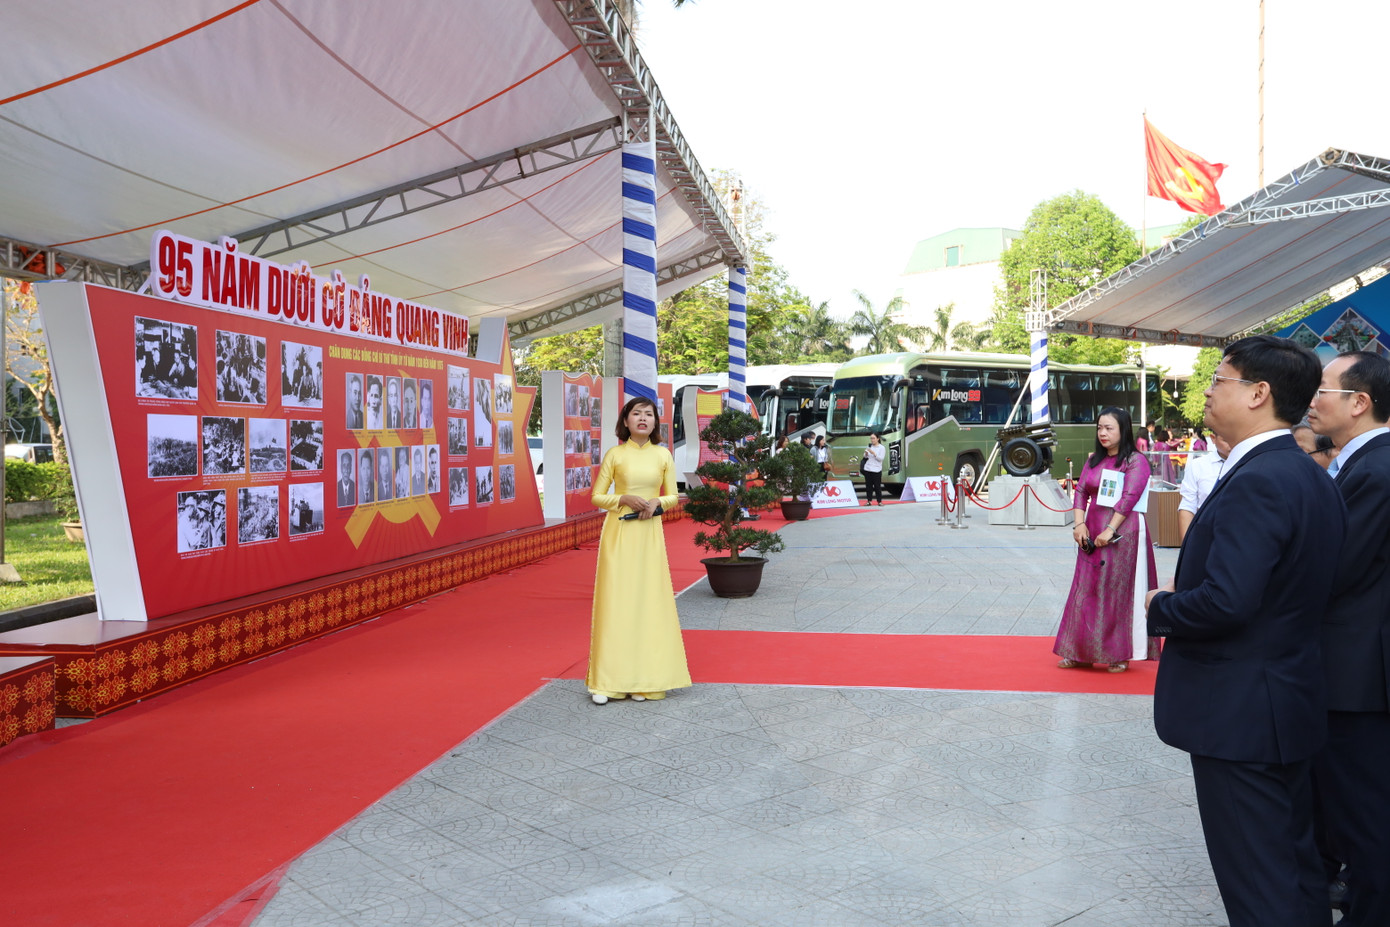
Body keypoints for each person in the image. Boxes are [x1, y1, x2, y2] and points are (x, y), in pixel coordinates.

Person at [1145, 335, 1347, 927]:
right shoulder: (1307, 473)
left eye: (1219, 378)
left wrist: (1163, 606)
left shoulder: (1261, 478)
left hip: (1241, 716)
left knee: (1259, 882)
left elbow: (1228, 602)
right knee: (1292, 868)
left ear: (1259, 393)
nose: (1206, 390)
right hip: (1284, 704)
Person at [1306, 351, 1390, 925]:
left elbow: (1335, 571)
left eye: (1324, 389)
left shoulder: (1376, 471)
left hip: (1357, 675)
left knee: (1363, 816)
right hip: (1353, 668)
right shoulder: (1361, 464)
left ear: (1359, 403)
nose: (1312, 399)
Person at [587, 396, 690, 705]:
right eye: (636, 413)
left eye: (649, 414)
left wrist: (659, 502)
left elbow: (673, 494)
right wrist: (622, 499)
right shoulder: (615, 455)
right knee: (616, 601)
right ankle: (608, 683)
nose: (643, 418)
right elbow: (596, 496)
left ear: (656, 422)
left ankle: (646, 680)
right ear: (626, 420)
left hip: (649, 533)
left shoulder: (663, 456)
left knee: (649, 601)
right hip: (619, 534)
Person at [1054, 405, 1158, 673]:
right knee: (1084, 590)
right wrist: (1079, 525)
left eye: (1109, 428)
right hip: (1090, 532)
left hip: (1124, 533)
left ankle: (1118, 654)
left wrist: (1110, 530)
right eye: (1099, 427)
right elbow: (1080, 492)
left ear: (1123, 430)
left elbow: (1128, 499)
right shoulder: (1093, 460)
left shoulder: (1135, 461)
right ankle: (1079, 652)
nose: (1102, 433)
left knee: (1116, 592)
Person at [1176, 432, 1230, 542]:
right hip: (1207, 534)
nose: (1232, 444)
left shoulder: (1252, 464)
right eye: (1226, 440)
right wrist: (1187, 546)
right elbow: (1188, 506)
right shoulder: (1198, 466)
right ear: (1213, 438)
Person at [861, 433, 886, 506]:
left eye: (873, 438)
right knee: (868, 486)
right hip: (868, 468)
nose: (872, 440)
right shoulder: (869, 446)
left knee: (877, 486)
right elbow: (865, 457)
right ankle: (869, 500)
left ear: (878, 439)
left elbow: (881, 459)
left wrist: (874, 453)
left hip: (876, 469)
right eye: (871, 438)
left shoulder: (881, 448)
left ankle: (879, 501)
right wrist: (866, 454)